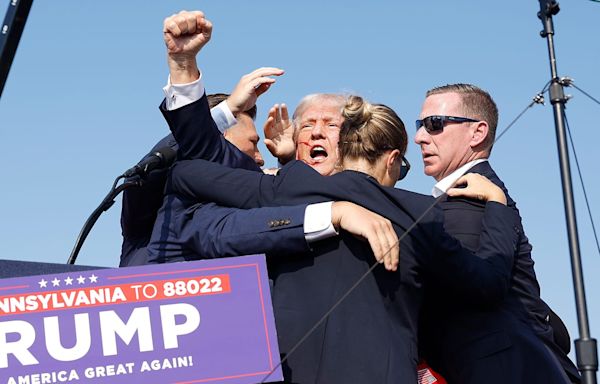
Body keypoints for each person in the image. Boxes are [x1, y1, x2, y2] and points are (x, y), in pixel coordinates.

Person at [166, 93, 524, 383]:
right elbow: (487, 284)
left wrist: (278, 173)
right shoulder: (420, 213)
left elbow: (185, 172)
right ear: (393, 159)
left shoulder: (291, 186)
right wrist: (498, 205)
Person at [414, 83, 580, 383]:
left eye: (434, 124)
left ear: (477, 133)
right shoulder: (480, 195)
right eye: (420, 126)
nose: (420, 137)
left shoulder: (471, 197)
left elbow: (470, 288)